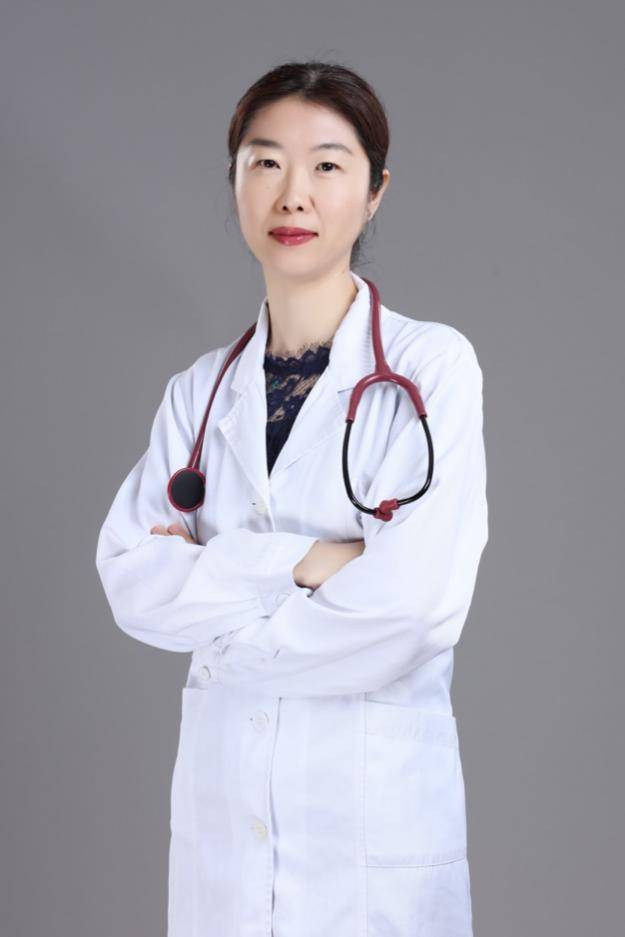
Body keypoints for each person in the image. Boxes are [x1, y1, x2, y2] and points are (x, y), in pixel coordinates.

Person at [95, 59, 488, 937]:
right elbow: (128, 576)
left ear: (375, 192)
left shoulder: (428, 370)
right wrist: (310, 562)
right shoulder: (198, 394)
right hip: (223, 847)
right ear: (235, 180)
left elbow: (413, 608)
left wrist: (216, 613)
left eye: (327, 165)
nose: (292, 194)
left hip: (370, 849)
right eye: (265, 162)